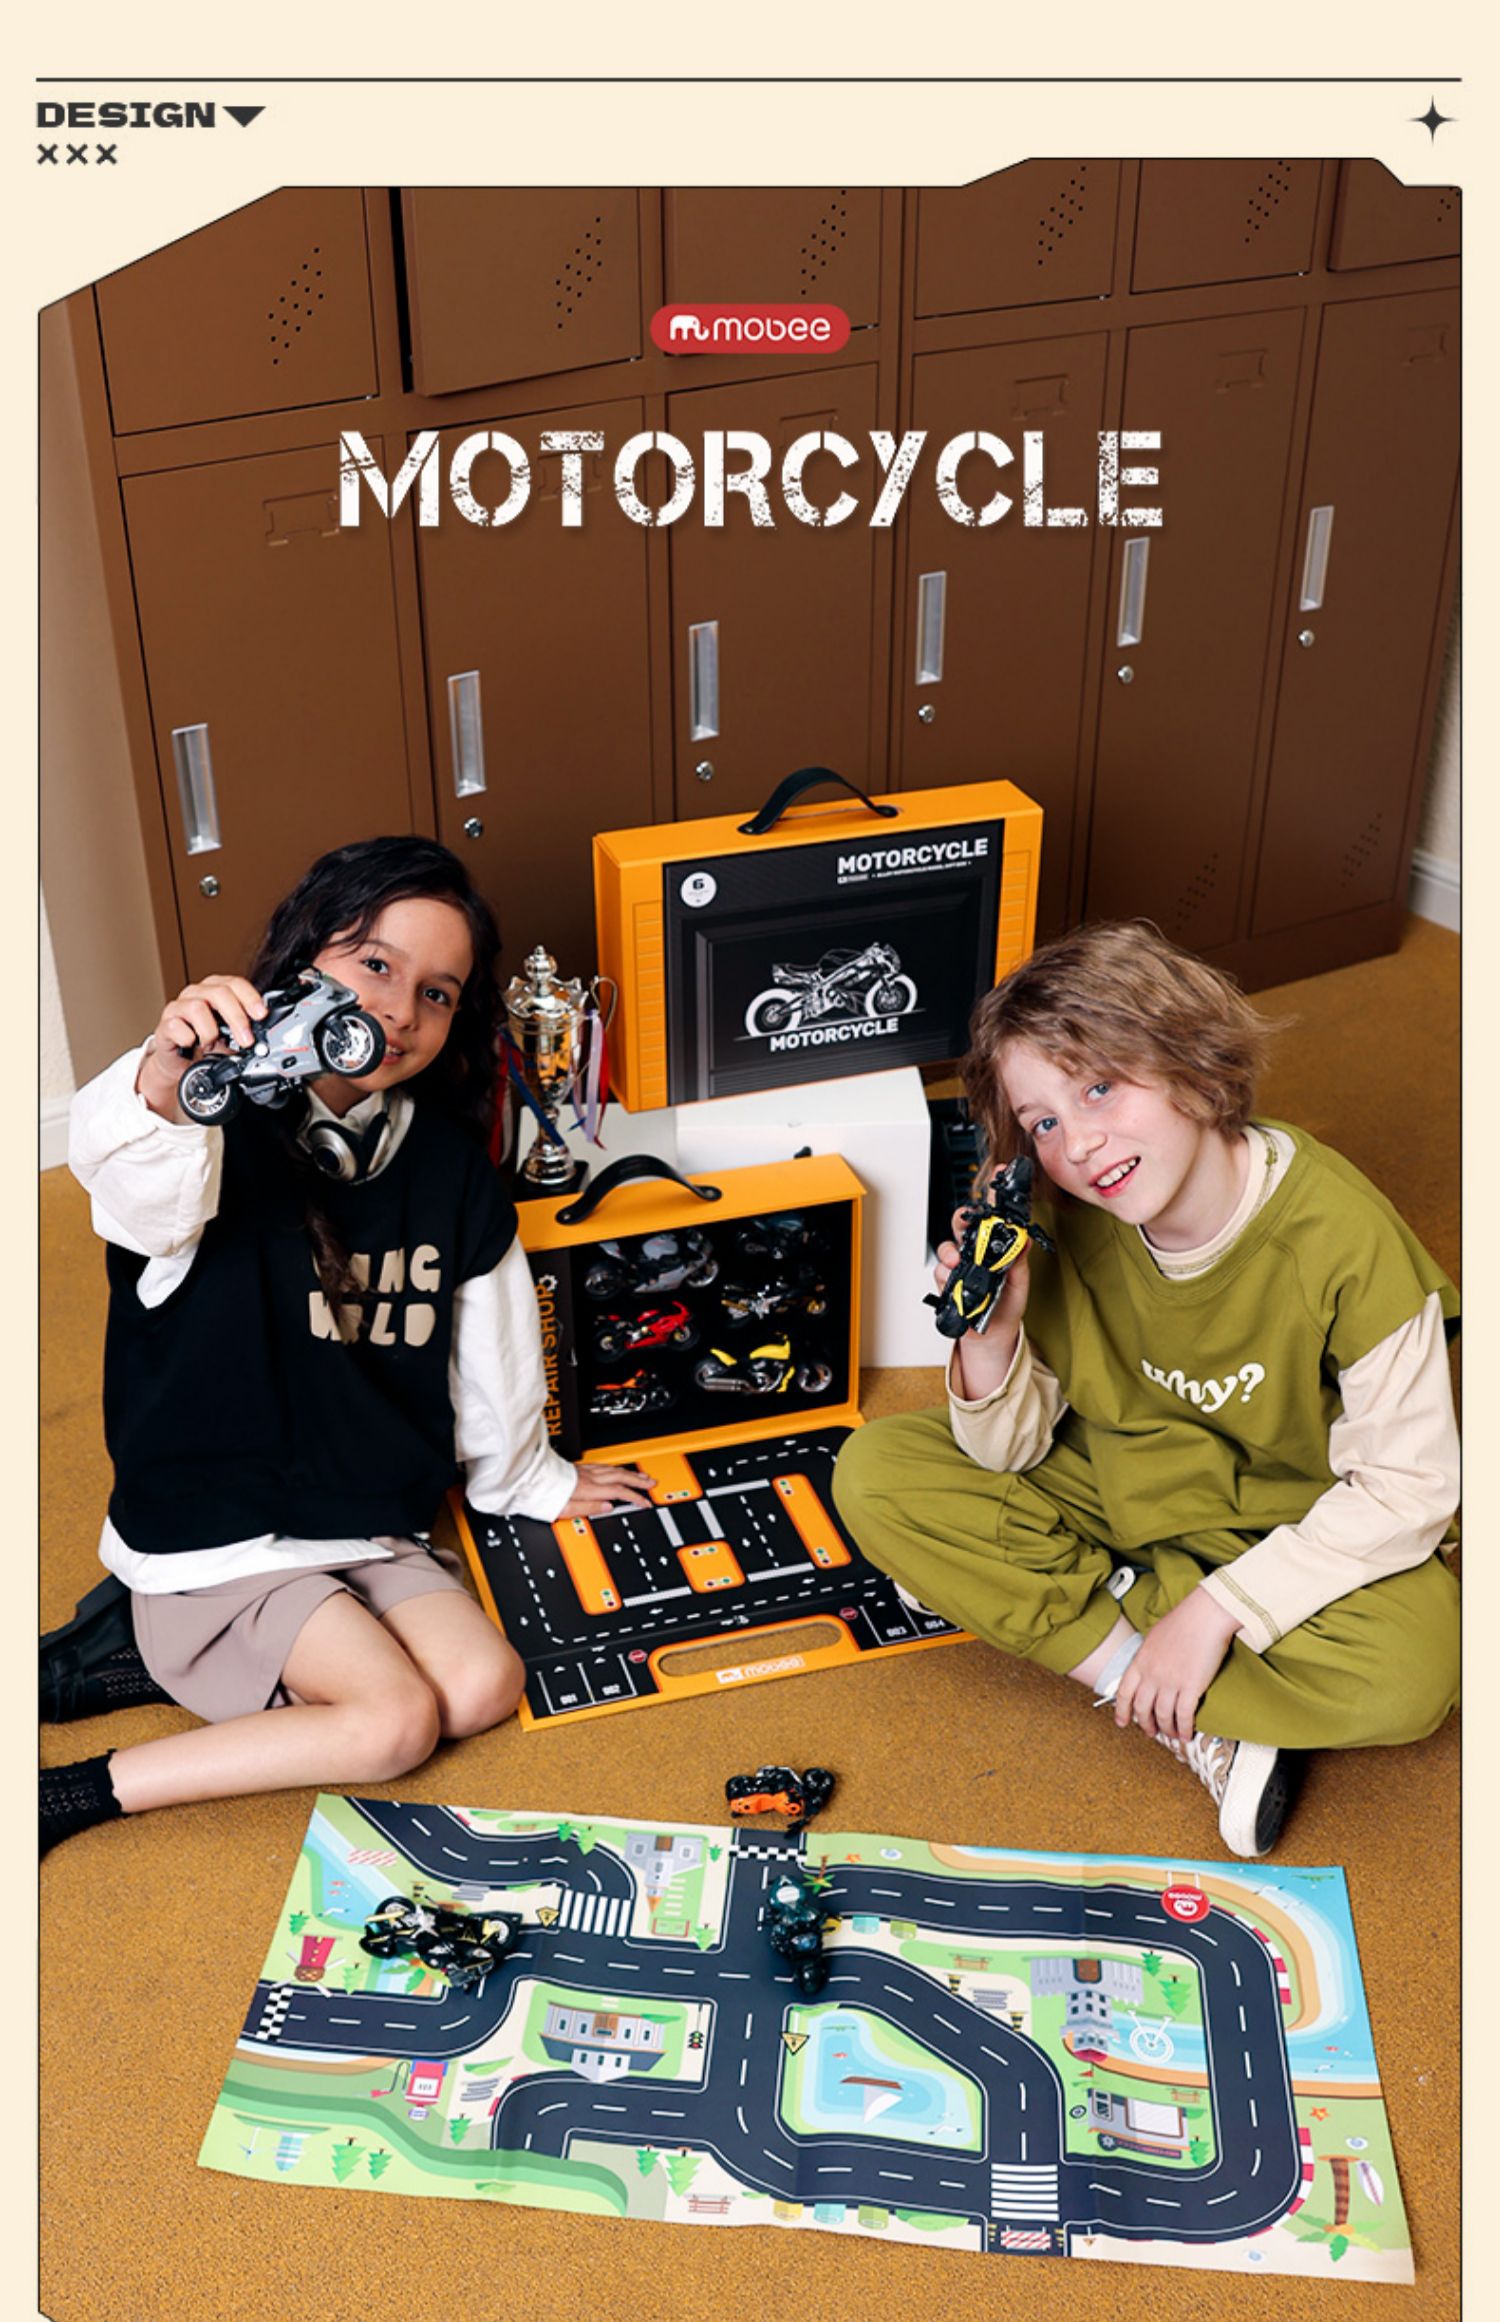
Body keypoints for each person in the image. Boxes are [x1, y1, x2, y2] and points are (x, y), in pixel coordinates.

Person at [41, 836, 651, 1855]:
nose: (400, 1010)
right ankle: (71, 1792)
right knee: (392, 1724)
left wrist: (530, 1482)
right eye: (375, 964)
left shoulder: (448, 1166)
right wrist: (165, 1077)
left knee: (481, 1686)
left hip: (363, 1514)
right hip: (221, 1530)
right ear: (304, 956)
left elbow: (494, 1352)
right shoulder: (196, 1134)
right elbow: (134, 1188)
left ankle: (165, 1659)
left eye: (437, 993)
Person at [832, 922, 1460, 1859]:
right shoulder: (1058, 1217)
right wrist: (992, 1335)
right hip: (1123, 1482)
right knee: (876, 1471)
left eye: (1100, 1087)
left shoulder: (1341, 1239)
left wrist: (1218, 1609)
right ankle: (1170, 1695)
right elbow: (1007, 1451)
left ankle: (1112, 1622)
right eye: (1043, 1122)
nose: (1080, 1143)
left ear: (1195, 1066)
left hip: (1286, 1516)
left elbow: (1410, 1490)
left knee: (1417, 1673)